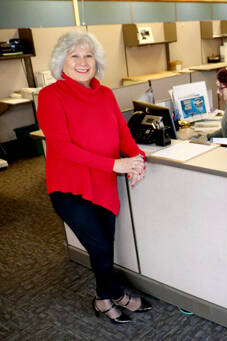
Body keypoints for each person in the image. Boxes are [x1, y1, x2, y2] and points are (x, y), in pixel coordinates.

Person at [37, 31, 151, 324]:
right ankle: (116, 294)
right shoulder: (51, 96)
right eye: (74, 55)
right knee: (99, 246)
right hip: (69, 188)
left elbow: (123, 135)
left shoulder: (105, 94)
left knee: (105, 246)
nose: (82, 61)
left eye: (88, 55)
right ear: (61, 61)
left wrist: (137, 159)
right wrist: (115, 165)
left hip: (102, 184)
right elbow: (61, 148)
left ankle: (102, 300)